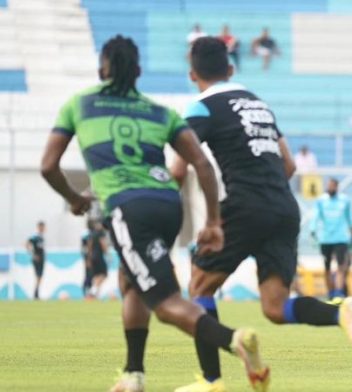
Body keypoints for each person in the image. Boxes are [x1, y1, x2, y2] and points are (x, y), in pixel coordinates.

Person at [40, 34, 269, 392]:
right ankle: (134, 374)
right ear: (139, 71)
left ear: (103, 68)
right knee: (131, 282)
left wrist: (73, 198)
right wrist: (212, 222)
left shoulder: (79, 105)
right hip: (167, 203)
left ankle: (235, 340)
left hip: (128, 208)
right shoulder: (159, 111)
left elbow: (48, 166)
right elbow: (201, 166)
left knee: (164, 303)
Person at [170, 37, 352, 391]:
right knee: (275, 308)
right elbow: (289, 165)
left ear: (192, 74)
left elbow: (179, 168)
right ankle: (340, 312)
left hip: (244, 204)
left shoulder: (200, 106)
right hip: (283, 206)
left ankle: (212, 381)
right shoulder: (258, 103)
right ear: (231, 69)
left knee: (200, 285)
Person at [310, 178, 352, 299]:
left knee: (341, 267)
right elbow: (315, 216)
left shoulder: (344, 201)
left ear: (336, 187)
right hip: (325, 239)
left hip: (341, 239)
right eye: (328, 185)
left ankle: (339, 293)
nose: (330, 188)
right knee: (327, 268)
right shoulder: (321, 201)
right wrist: (312, 228)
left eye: (332, 186)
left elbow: (349, 218)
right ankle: (330, 293)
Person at [86, 220, 110, 299]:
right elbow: (103, 243)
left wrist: (89, 258)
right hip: (99, 256)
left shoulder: (91, 234)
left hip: (93, 257)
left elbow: (89, 246)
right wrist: (107, 253)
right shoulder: (101, 233)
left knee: (96, 276)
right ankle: (93, 291)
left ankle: (96, 295)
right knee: (104, 274)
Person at [26, 221, 46, 300]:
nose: (43, 228)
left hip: (41, 259)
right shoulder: (35, 236)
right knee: (38, 276)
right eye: (42, 227)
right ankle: (35, 294)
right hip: (36, 259)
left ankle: (36, 293)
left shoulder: (41, 237)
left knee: (40, 276)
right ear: (39, 227)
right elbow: (27, 244)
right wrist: (33, 254)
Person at [81, 221, 93, 298]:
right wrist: (87, 258)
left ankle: (87, 291)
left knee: (89, 274)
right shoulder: (88, 234)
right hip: (88, 257)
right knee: (89, 274)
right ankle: (86, 290)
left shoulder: (85, 234)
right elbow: (87, 247)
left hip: (87, 256)